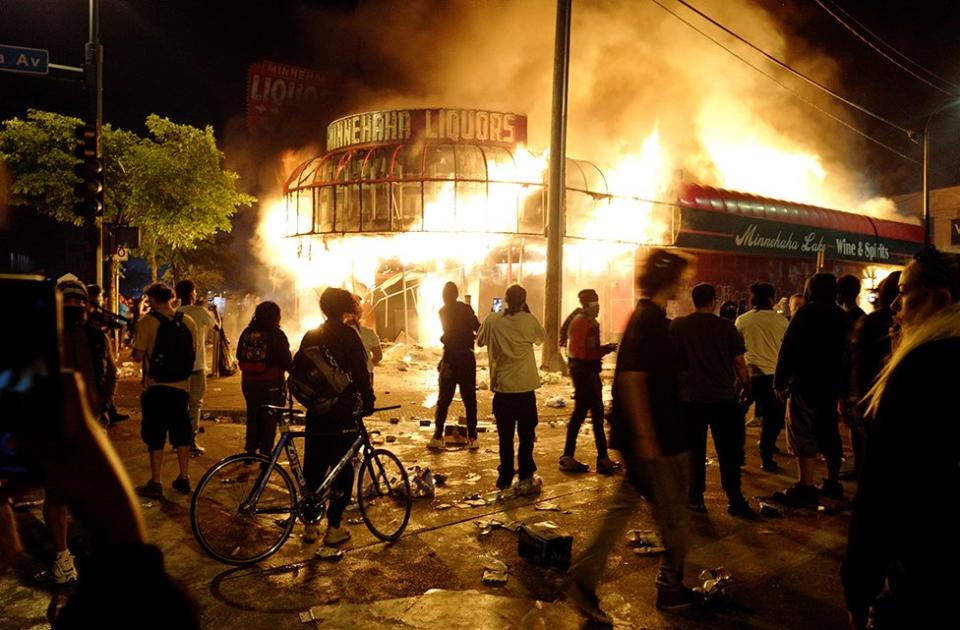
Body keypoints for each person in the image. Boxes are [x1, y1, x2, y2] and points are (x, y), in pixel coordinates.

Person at [566, 249, 700, 622]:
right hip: (657, 438)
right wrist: (646, 437)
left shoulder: (647, 318)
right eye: (679, 277)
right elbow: (633, 380)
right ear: (668, 280)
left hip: (648, 436)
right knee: (674, 519)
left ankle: (584, 579)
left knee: (624, 507)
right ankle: (670, 588)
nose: (683, 283)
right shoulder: (650, 322)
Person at [842, 248, 960, 629]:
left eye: (905, 291)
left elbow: (884, 488)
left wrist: (858, 585)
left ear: (940, 299)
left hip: (927, 568)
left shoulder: (922, 367)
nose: (894, 303)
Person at [297, 288, 374, 546]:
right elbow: (361, 374)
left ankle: (310, 526)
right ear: (345, 308)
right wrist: (368, 400)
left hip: (316, 411)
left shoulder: (311, 335)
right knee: (342, 467)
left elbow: (299, 369)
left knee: (314, 466)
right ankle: (334, 527)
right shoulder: (349, 336)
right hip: (342, 411)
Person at [671, 283, 752, 516]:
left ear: (693, 300)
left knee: (694, 450)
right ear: (714, 301)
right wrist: (746, 387)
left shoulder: (679, 326)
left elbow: (673, 361)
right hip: (723, 398)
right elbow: (739, 363)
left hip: (689, 399)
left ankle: (695, 497)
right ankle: (735, 499)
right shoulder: (726, 327)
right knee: (728, 450)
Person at [773, 273, 847, 507]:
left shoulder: (806, 313)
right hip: (832, 384)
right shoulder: (841, 315)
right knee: (829, 431)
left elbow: (789, 347)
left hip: (805, 383)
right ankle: (832, 482)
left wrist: (780, 381)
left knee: (802, 432)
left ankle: (805, 486)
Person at [132, 283, 199, 499]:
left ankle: (156, 481)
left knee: (155, 434)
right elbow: (194, 351)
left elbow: (137, 355)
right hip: (181, 386)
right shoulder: (188, 322)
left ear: (151, 299)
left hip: (156, 387)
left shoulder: (147, 322)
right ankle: (184, 477)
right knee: (181, 433)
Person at [477, 283, 545, 495]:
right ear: (524, 301)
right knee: (526, 436)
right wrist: (527, 312)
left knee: (505, 437)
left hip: (503, 391)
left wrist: (493, 314)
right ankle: (525, 474)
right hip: (525, 390)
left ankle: (505, 475)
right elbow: (540, 339)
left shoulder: (493, 320)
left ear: (505, 300)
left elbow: (479, 341)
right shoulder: (529, 320)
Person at [841, 272, 900, 481]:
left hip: (864, 391)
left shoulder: (867, 322)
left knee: (865, 439)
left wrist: (846, 393)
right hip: (874, 392)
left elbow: (849, 358)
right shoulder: (901, 324)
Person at [560, 288, 620, 474]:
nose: (598, 308)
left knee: (583, 414)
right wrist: (605, 350)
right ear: (588, 306)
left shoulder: (584, 321)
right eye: (596, 304)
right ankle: (600, 458)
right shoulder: (583, 323)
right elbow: (584, 353)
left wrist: (604, 349)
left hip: (584, 372)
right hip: (586, 373)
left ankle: (571, 456)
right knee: (595, 414)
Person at [735, 282, 789, 472]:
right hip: (772, 377)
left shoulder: (742, 321)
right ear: (771, 298)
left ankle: (737, 454)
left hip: (748, 375)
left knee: (737, 416)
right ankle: (767, 458)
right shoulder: (782, 322)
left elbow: (737, 352)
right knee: (772, 420)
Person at [236, 301, 291, 458]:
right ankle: (265, 454)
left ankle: (250, 450)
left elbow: (239, 354)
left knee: (253, 414)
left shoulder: (247, 332)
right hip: (272, 383)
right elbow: (286, 360)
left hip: (248, 381)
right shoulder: (277, 334)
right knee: (269, 418)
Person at [430, 281, 481, 450]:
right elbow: (477, 328)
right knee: (470, 400)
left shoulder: (443, 311)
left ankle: (437, 436)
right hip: (467, 358)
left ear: (444, 297)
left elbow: (449, 335)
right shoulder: (466, 309)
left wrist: (444, 357)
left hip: (451, 359)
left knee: (444, 399)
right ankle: (473, 437)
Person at [175, 280, 220, 456]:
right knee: (195, 404)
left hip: (177, 368)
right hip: (196, 365)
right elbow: (217, 328)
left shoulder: (175, 313)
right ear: (192, 293)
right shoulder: (199, 311)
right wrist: (214, 312)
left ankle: (178, 440)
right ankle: (190, 441)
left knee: (180, 404)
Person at [351, 295, 382, 385]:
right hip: (366, 373)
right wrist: (368, 362)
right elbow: (378, 356)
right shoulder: (369, 333)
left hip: (343, 377)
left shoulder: (335, 334)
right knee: (366, 398)